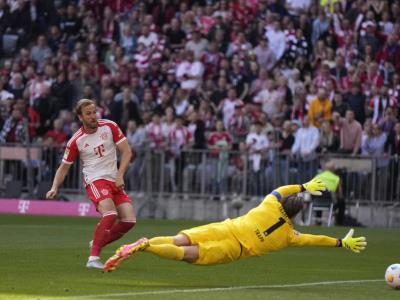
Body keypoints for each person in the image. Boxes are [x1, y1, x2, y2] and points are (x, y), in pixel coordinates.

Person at [103, 179, 367, 272]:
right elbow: (314, 239)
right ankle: (147, 247)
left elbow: (279, 190)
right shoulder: (290, 235)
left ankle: (145, 241)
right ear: (297, 214)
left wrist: (303, 186)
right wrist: (340, 242)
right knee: (186, 255)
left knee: (179, 240)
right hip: (235, 248)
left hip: (226, 227)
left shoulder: (270, 204)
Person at [46, 99, 136, 269]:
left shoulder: (110, 126)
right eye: (88, 113)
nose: (93, 116)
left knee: (129, 220)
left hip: (114, 179)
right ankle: (93, 259)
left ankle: (97, 241)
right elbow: (63, 168)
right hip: (95, 180)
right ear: (80, 117)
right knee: (110, 214)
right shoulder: (76, 141)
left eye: (94, 112)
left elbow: (127, 151)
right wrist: (54, 187)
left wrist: (120, 175)